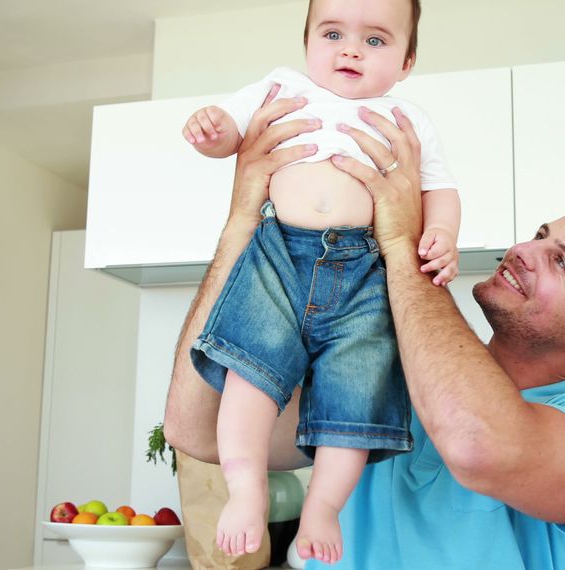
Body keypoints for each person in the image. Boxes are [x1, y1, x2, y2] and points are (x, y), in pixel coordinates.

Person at [165, 89, 565, 568]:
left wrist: (402, 243)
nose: (523, 249)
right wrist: (241, 225)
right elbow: (194, 429)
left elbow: (476, 443)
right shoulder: (386, 376)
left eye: (559, 261)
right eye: (541, 234)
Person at [180, 0, 460, 563]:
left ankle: (323, 507)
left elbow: (441, 190)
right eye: (333, 33)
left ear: (406, 61)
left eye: (376, 40)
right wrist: (210, 131)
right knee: (249, 369)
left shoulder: (408, 120)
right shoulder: (279, 88)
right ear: (307, 43)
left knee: (353, 394)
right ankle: (245, 487)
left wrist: (444, 235)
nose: (351, 49)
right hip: (278, 251)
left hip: (365, 269)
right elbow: (228, 134)